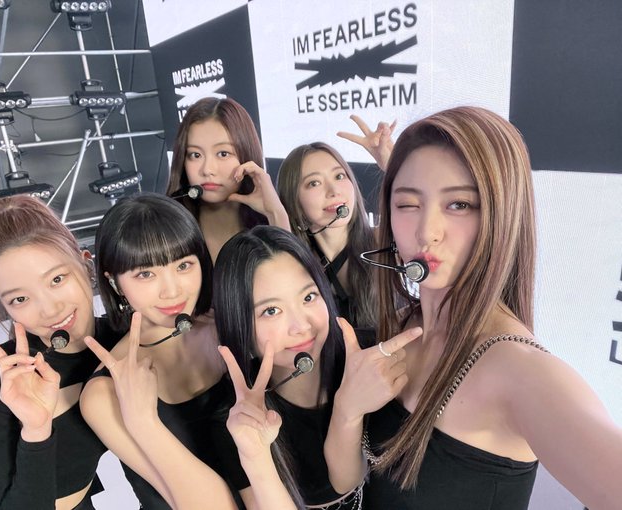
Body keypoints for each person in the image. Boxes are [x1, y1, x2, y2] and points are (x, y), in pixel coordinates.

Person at [324, 106, 622, 509]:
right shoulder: (403, 325)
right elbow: (349, 481)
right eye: (408, 204)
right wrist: (346, 410)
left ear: (502, 216)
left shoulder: (521, 372)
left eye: (460, 205)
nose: (427, 232)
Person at [79, 193, 298, 510]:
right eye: (145, 274)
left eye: (183, 265)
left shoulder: (229, 327)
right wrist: (144, 423)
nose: (172, 290)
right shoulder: (105, 393)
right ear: (114, 283)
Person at [0, 195, 122, 510]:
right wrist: (36, 430)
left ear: (86, 265)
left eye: (57, 279)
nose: (50, 310)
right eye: (20, 299)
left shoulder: (123, 339)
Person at [213, 226, 399, 509]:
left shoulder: (372, 354)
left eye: (309, 297)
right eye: (271, 311)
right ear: (240, 326)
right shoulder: (236, 416)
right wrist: (256, 457)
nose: (301, 326)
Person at [166, 97, 290, 261]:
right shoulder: (165, 225)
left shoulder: (271, 221)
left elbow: (291, 275)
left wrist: (276, 214)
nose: (207, 170)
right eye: (195, 155)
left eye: (223, 154)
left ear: (247, 155)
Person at [277, 142, 377, 335]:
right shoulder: (295, 263)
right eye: (314, 183)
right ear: (293, 199)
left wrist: (390, 162)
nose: (334, 191)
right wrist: (277, 213)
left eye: (339, 176)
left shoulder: (382, 241)